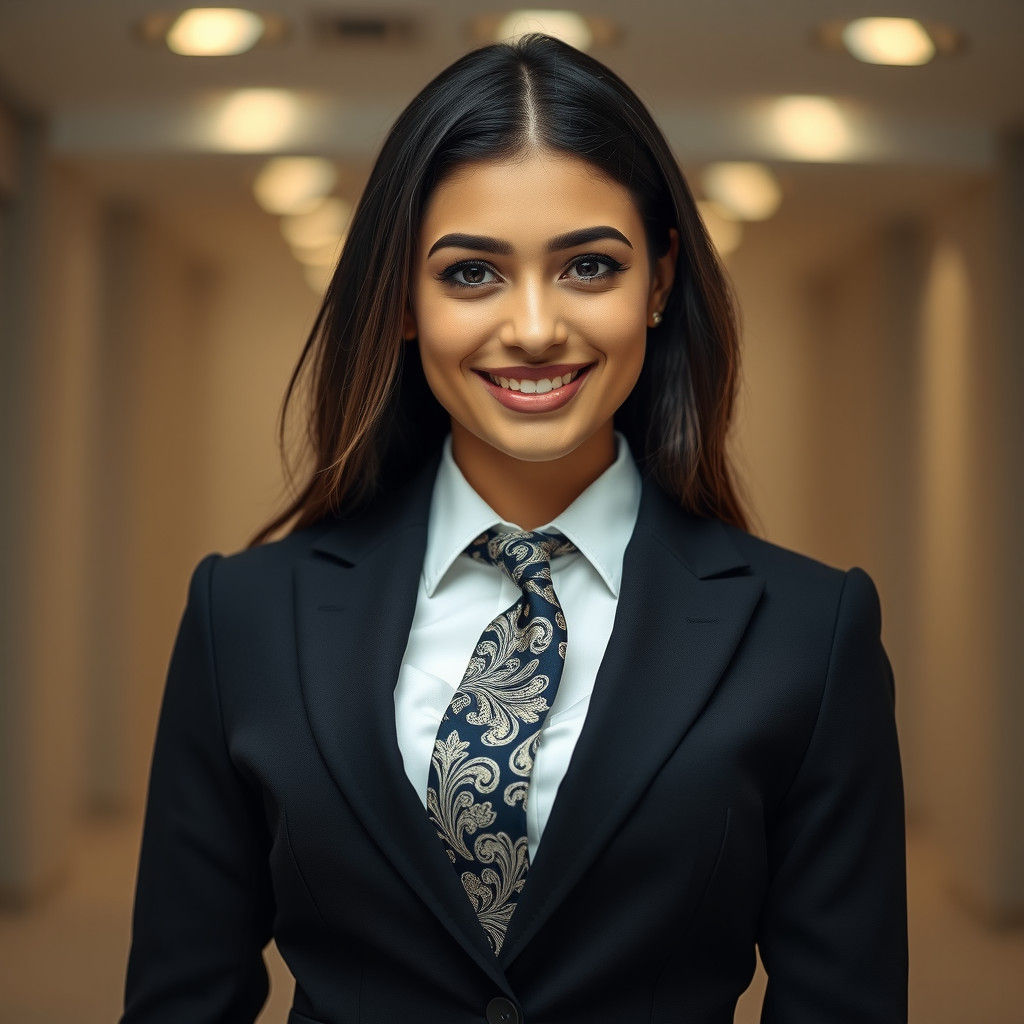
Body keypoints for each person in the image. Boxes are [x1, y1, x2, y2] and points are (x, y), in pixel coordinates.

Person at [118, 31, 908, 1024]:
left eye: (587, 266)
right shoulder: (243, 614)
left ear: (659, 281)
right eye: (470, 274)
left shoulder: (810, 632)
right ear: (402, 299)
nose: (533, 326)